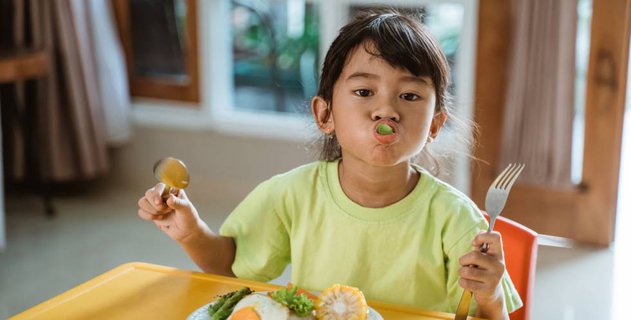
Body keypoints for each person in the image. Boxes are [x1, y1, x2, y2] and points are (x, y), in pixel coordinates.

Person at [137, 9, 522, 320]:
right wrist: (190, 231)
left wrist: (490, 298)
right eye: (363, 91)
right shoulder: (291, 194)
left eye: (408, 95)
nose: (386, 109)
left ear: (435, 124)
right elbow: (231, 268)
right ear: (325, 114)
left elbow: (488, 316)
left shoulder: (457, 220)